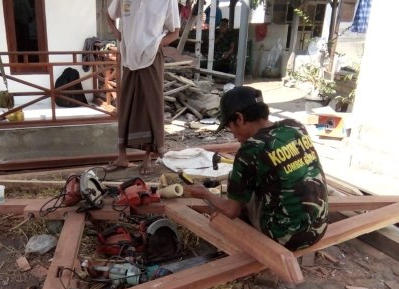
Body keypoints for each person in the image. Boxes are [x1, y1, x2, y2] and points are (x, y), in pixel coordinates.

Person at [184, 86, 329, 251]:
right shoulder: (294, 127)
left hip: (286, 238)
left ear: (239, 118)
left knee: (236, 180)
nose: (232, 134)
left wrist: (205, 193)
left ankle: (247, 236)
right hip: (318, 228)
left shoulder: (250, 150)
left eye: (230, 127)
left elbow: (231, 211)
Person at [106, 0, 181, 175]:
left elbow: (174, 32)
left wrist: (155, 44)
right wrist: (119, 35)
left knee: (151, 106)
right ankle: (122, 156)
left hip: (151, 58)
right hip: (128, 57)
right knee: (126, 105)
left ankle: (148, 158)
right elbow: (109, 16)